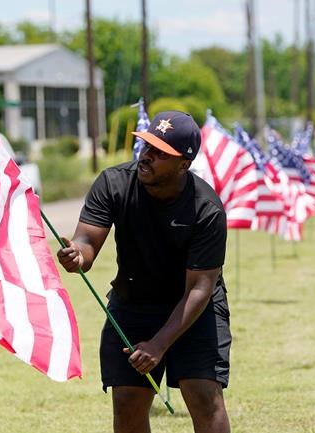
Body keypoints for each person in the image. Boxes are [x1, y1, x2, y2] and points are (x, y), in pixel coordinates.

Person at [57, 110, 231, 433]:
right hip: (134, 304)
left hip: (193, 308)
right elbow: (86, 242)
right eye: (147, 145)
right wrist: (78, 255)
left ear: (184, 164)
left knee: (204, 396)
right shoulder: (114, 183)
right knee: (127, 402)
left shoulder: (206, 209)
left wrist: (159, 344)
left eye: (160, 152)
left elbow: (199, 288)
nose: (147, 156)